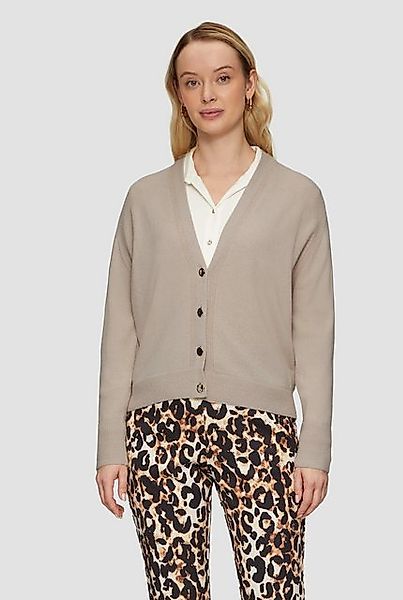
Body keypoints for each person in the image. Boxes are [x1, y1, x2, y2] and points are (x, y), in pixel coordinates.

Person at [95, 20, 335, 600]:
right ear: (178, 94)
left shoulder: (299, 197)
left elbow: (315, 330)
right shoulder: (144, 199)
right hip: (158, 428)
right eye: (192, 81)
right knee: (173, 593)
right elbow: (121, 328)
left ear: (249, 84)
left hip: (262, 426)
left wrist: (316, 444)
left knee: (275, 590)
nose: (207, 94)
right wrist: (109, 441)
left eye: (223, 78)